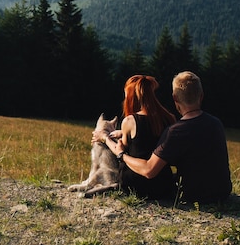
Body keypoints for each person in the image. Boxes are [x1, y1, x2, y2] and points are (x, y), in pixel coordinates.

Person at [98, 71, 232, 204]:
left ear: (175, 98)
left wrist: (120, 154)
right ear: (201, 96)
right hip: (223, 193)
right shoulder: (216, 123)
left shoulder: (176, 132)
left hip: (194, 196)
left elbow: (149, 170)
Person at [95, 75, 177, 199]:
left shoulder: (130, 121)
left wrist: (104, 137)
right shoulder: (169, 118)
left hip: (134, 186)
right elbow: (149, 136)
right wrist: (122, 132)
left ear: (132, 97)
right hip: (163, 186)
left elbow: (120, 148)